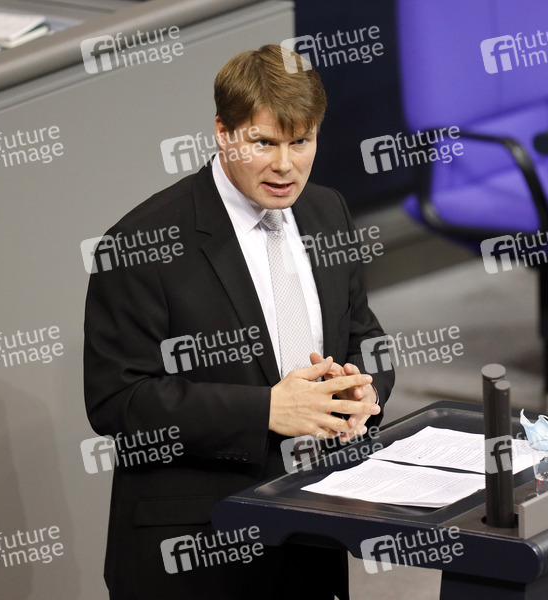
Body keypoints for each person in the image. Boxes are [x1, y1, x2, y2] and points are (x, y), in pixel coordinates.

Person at [83, 44, 394, 599]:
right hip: (195, 549)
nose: (285, 165)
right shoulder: (140, 245)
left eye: (301, 142)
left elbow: (364, 335)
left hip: (312, 534)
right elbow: (117, 401)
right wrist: (268, 410)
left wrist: (363, 389)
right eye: (264, 143)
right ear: (223, 133)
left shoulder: (327, 211)